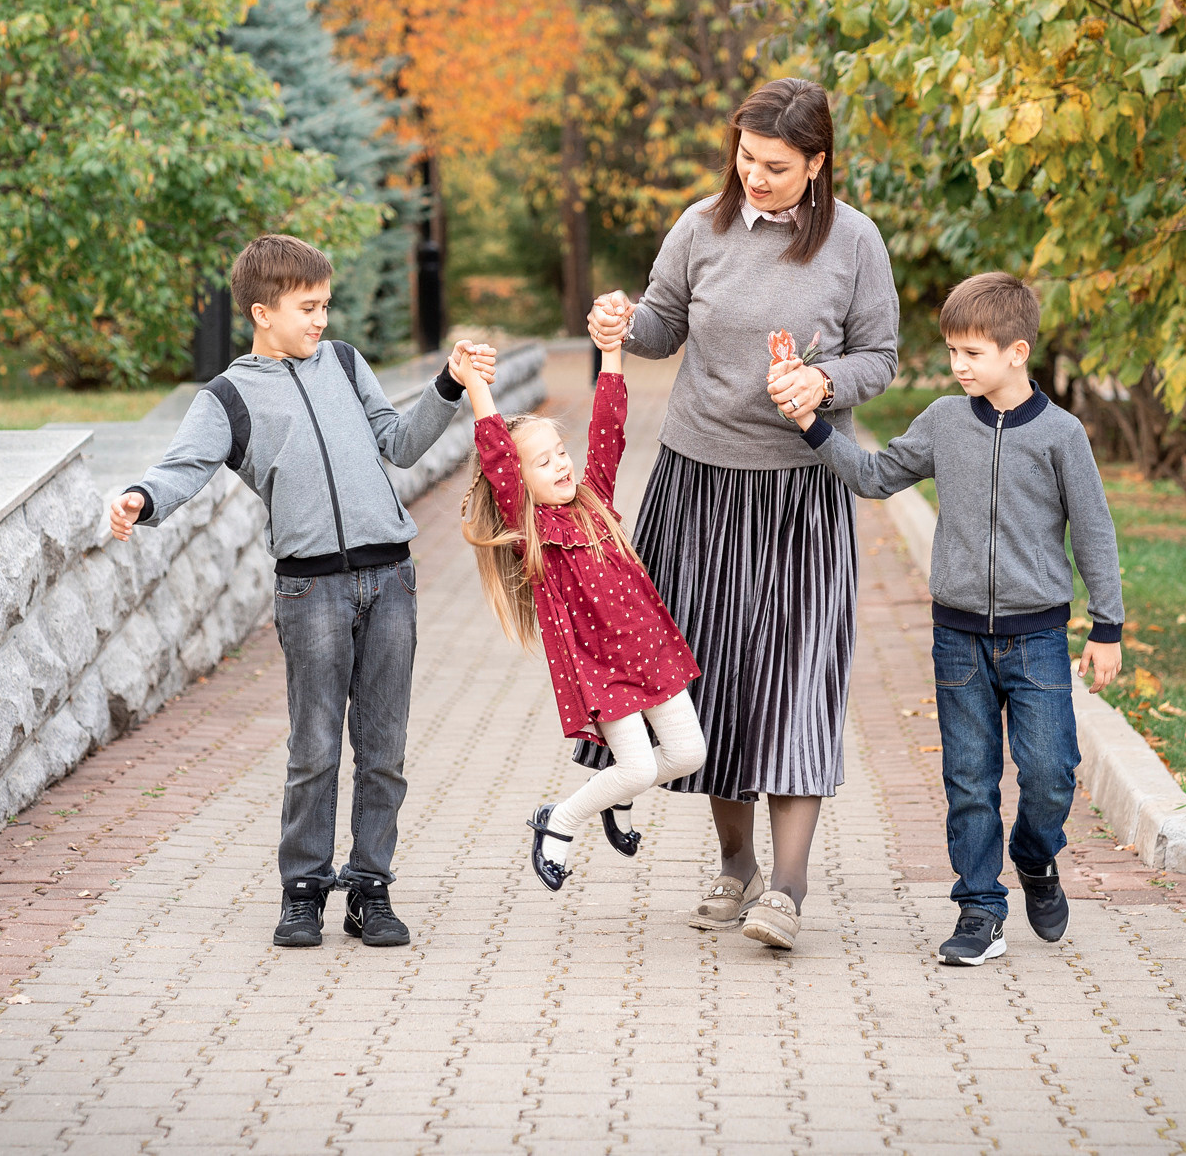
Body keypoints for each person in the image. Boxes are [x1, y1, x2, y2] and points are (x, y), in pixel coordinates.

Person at [108, 234, 497, 950]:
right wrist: (141, 496)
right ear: (263, 312)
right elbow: (183, 466)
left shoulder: (346, 362)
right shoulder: (228, 396)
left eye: (325, 304)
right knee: (315, 746)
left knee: (383, 748)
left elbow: (401, 441)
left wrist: (446, 385)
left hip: (390, 579)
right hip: (309, 590)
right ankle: (304, 890)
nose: (322, 318)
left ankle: (371, 887)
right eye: (307, 306)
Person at [586, 77, 900, 951]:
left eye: (775, 166)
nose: (754, 177)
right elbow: (661, 327)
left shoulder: (854, 243)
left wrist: (827, 379)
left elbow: (882, 356)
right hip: (697, 488)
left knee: (798, 682)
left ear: (817, 164)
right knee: (712, 683)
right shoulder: (700, 226)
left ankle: (788, 891)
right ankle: (737, 867)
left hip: (802, 492)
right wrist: (620, 321)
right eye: (745, 158)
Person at [776, 270, 1124, 966]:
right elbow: (875, 476)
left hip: (1039, 638)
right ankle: (979, 911)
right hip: (958, 636)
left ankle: (1034, 855)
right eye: (953, 352)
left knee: (1052, 770)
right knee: (968, 778)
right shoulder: (942, 421)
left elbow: (1094, 530)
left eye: (972, 353)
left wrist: (1106, 624)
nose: (958, 365)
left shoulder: (1061, 434)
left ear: (1016, 352)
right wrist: (812, 425)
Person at [454, 314, 706, 892]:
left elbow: (609, 429)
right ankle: (559, 821)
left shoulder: (594, 502)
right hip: (601, 665)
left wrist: (611, 351)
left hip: (650, 650)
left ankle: (614, 796)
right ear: (518, 482)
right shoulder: (532, 530)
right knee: (640, 765)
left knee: (689, 753)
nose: (561, 465)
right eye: (542, 463)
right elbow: (496, 451)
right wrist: (476, 387)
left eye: (559, 453)